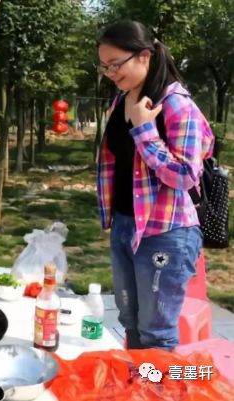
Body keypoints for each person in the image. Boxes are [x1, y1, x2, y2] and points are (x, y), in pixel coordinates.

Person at [96, 21, 214, 349]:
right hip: (125, 225)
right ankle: (138, 387)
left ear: (145, 56)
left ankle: (157, 390)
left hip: (165, 233)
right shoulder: (121, 102)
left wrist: (145, 131)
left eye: (116, 64)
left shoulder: (177, 105)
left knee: (156, 333)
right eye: (104, 66)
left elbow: (185, 175)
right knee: (129, 322)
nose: (110, 72)